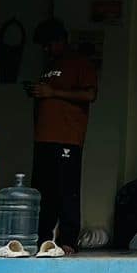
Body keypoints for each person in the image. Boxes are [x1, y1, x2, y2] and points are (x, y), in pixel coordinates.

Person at [29, 18, 98, 254]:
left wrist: (53, 92)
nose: (46, 49)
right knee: (43, 191)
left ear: (61, 40)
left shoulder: (80, 63)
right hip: (43, 138)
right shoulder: (50, 66)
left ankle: (68, 240)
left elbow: (90, 95)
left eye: (49, 44)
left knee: (66, 190)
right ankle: (43, 239)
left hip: (67, 138)